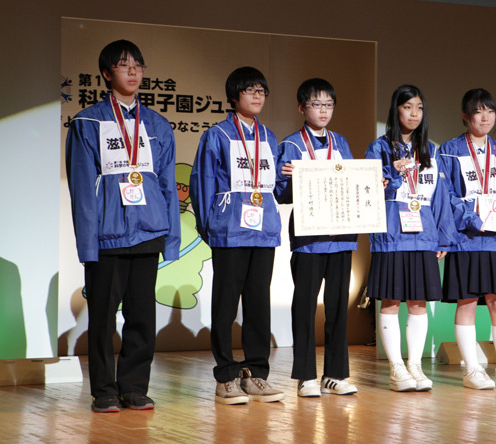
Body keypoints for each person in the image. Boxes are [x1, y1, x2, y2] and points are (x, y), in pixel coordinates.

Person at [66, 39, 180, 413]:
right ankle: (104, 390)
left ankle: (133, 386)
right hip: (107, 234)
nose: (133, 71)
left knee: (142, 317)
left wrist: (171, 238)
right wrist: (88, 246)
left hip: (148, 231)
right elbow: (83, 190)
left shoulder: (158, 125)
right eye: (123, 65)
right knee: (101, 318)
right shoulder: (88, 122)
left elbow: (167, 186)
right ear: (106, 74)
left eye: (138, 65)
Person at [190, 67, 284, 404]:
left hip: (264, 230)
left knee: (258, 303)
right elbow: (201, 184)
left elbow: (276, 186)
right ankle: (225, 375)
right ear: (234, 97)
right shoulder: (217, 135)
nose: (257, 95)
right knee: (226, 304)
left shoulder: (270, 138)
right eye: (249, 90)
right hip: (230, 230)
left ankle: (256, 373)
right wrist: (211, 226)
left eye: (261, 89)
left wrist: (289, 175)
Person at [437, 88, 496, 390]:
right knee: (465, 302)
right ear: (465, 116)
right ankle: (472, 370)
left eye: (489, 110)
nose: (485, 116)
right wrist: (471, 218)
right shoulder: (448, 151)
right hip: (465, 239)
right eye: (478, 111)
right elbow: (445, 194)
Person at [366, 84, 454, 392]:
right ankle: (396, 368)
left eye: (418, 108)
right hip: (391, 235)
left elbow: (442, 196)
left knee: (418, 303)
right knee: (390, 301)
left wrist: (444, 237)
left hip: (423, 236)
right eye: (407, 107)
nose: (413, 114)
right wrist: (391, 173)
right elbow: (370, 194)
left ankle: (415, 366)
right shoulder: (378, 148)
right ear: (395, 110)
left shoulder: (432, 150)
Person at [274, 78, 359, 398]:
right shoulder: (292, 144)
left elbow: (351, 181)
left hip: (341, 235)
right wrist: (285, 181)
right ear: (301, 107)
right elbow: (281, 196)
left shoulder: (342, 142)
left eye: (328, 105)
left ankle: (335, 375)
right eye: (316, 104)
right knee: (305, 304)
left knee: (339, 305)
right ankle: (306, 375)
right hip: (309, 237)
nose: (323, 111)